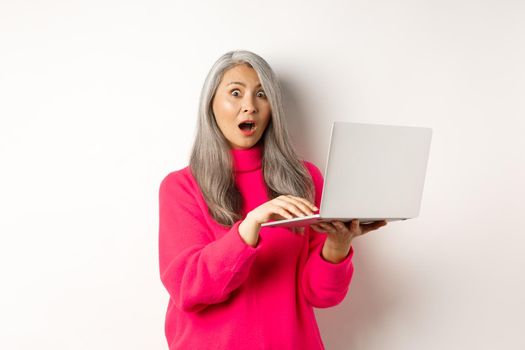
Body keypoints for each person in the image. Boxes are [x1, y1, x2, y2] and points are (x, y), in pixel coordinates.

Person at [158, 50, 387, 349]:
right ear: (211, 103)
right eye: (235, 93)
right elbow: (187, 288)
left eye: (262, 94)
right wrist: (250, 225)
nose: (249, 107)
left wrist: (338, 245)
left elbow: (321, 296)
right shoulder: (182, 187)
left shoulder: (304, 179)